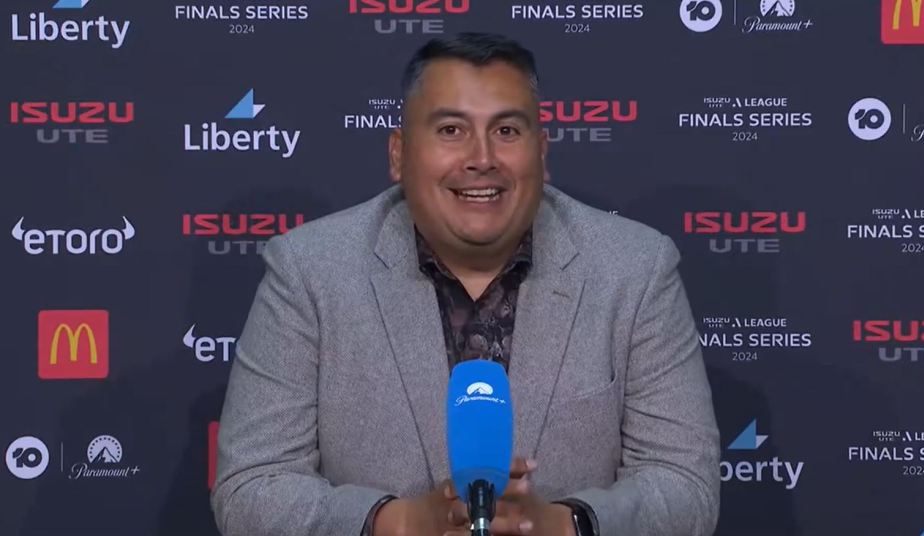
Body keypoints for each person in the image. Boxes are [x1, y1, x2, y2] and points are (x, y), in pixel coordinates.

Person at [210, 32, 720, 536]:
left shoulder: (635, 269)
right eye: (451, 130)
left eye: (507, 131)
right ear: (398, 154)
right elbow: (251, 488)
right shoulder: (309, 271)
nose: (482, 158)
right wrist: (399, 523)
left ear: (541, 152)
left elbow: (686, 487)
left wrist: (563, 525)